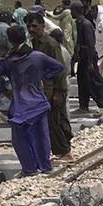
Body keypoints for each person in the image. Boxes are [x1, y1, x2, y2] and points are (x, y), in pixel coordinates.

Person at [0, 27, 64, 176]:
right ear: (25, 37)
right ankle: (45, 166)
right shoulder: (38, 56)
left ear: (10, 40)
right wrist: (43, 76)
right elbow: (59, 67)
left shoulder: (8, 61)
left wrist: (4, 91)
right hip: (38, 101)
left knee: (21, 139)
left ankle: (29, 168)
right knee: (42, 136)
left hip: (19, 104)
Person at [26, 13, 73, 162]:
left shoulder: (50, 44)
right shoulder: (36, 43)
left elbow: (60, 69)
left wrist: (58, 92)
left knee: (55, 121)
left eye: (34, 25)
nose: (31, 29)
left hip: (54, 88)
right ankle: (60, 151)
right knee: (51, 120)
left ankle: (65, 152)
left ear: (42, 25)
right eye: (29, 26)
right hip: (45, 88)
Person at [71, 2, 103, 112]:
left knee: (94, 81)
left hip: (88, 57)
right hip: (82, 57)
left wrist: (90, 62)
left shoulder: (86, 24)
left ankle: (101, 105)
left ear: (75, 11)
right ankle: (83, 106)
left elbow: (90, 44)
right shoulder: (78, 23)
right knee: (82, 82)